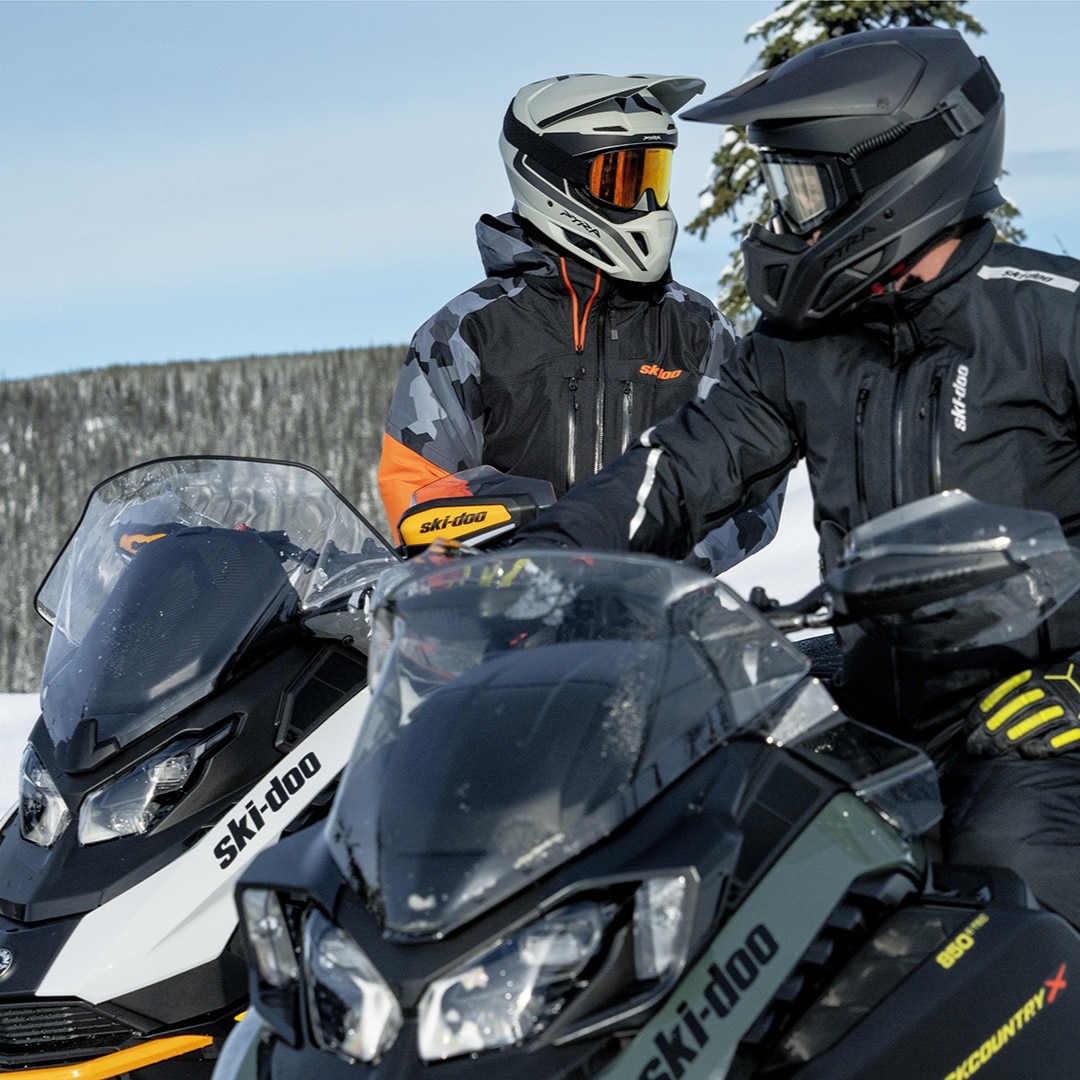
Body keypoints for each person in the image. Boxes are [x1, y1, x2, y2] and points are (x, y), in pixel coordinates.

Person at [515, 28, 1080, 927]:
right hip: (872, 726)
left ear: (898, 173)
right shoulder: (800, 351)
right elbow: (675, 473)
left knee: (1015, 882)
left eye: (802, 189)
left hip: (1035, 731)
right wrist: (519, 568)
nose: (784, 219)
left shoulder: (1049, 320)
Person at [376, 72, 783, 571]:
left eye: (654, 178)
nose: (646, 203)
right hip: (510, 620)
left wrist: (671, 564)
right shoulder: (468, 331)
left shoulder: (696, 328)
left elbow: (753, 480)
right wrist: (504, 572)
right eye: (623, 179)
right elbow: (419, 489)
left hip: (657, 614)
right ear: (550, 181)